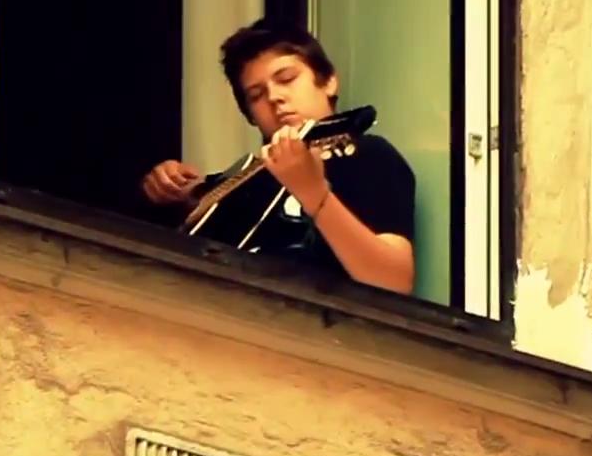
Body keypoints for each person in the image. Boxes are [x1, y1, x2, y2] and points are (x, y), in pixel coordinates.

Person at [140, 21, 416, 294]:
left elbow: (393, 281)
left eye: (287, 79)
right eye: (256, 95)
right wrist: (169, 188)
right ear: (249, 115)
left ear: (329, 82)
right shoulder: (244, 177)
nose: (274, 97)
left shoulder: (366, 153)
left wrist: (316, 196)